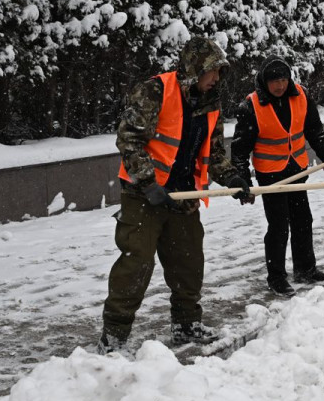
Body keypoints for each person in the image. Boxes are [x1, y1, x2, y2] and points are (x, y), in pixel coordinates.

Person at [99, 37, 255, 355]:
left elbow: (212, 153)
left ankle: (186, 325)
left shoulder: (211, 102)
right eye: (213, 71)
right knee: (136, 264)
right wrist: (148, 183)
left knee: (188, 264)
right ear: (195, 68)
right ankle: (113, 335)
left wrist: (234, 178)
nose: (217, 79)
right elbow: (129, 139)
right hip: (145, 196)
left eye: (220, 72)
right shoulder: (156, 90)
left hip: (184, 195)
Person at [231, 56, 324, 296]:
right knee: (279, 226)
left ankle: (305, 269)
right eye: (274, 81)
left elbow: (314, 129)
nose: (279, 85)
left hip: (297, 169)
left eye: (283, 79)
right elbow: (239, 149)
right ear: (264, 82)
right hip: (271, 176)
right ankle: (276, 277)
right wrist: (244, 183)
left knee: (303, 220)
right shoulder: (251, 106)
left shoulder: (300, 95)